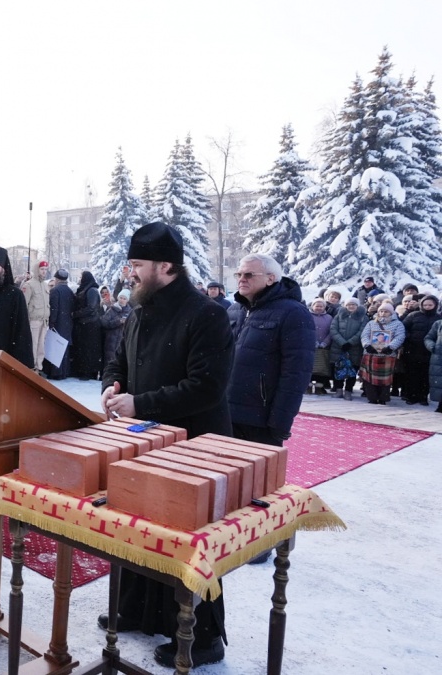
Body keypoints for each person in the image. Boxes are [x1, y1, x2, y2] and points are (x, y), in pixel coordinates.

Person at [100, 222, 234, 669]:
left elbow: (206, 387)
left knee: (189, 541)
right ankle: (139, 611)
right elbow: (119, 359)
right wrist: (112, 385)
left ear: (165, 266)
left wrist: (141, 402)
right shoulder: (140, 308)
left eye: (136, 265)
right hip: (146, 440)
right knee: (140, 526)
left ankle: (204, 636)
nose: (129, 273)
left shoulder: (207, 314)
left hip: (196, 445)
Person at [225, 253, 314, 447]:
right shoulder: (234, 310)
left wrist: (280, 421)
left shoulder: (293, 313)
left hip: (260, 418)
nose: (241, 279)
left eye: (248, 274)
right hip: (224, 411)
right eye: (238, 274)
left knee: (256, 476)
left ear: (270, 278)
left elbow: (297, 373)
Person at [359, 302, 405, 404]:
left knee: (385, 379)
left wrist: (391, 347)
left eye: (386, 311)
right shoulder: (371, 323)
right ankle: (372, 397)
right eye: (381, 311)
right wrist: (367, 345)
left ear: (391, 313)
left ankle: (383, 398)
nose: (383, 313)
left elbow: (400, 336)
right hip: (371, 353)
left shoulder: (398, 324)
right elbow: (364, 335)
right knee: (369, 378)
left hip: (387, 354)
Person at [400, 294, 438, 405]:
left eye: (430, 305)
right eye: (425, 304)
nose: (427, 307)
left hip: (429, 351)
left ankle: (423, 397)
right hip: (412, 349)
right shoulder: (413, 315)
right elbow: (403, 328)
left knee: (425, 375)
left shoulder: (438, 317)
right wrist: (409, 338)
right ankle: (411, 396)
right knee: (412, 374)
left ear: (435, 305)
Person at [329, 297, 366, 400]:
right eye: (349, 304)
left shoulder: (363, 317)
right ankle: (339, 390)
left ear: (357, 306)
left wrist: (350, 342)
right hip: (338, 347)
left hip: (354, 348)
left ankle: (348, 391)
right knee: (338, 369)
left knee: (352, 370)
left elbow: (362, 331)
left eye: (353, 304)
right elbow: (333, 329)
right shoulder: (338, 316)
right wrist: (342, 342)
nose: (351, 306)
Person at [71, 270, 104, 380]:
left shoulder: (91, 290)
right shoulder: (86, 289)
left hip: (90, 325)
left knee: (89, 350)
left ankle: (89, 372)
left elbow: (91, 308)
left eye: (81, 277)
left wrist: (75, 314)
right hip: (84, 324)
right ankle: (83, 370)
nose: (80, 279)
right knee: (84, 349)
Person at [44, 268, 75, 380]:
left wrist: (51, 322)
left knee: (55, 347)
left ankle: (56, 372)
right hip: (68, 322)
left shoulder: (55, 291)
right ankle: (64, 372)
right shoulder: (70, 291)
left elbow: (54, 308)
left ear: (57, 279)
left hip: (58, 323)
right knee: (64, 347)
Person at [21, 261, 50, 373]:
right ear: (37, 270)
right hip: (33, 320)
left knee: (41, 347)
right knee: (33, 345)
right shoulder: (29, 285)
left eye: (45, 270)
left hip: (43, 320)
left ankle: (39, 367)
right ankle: (31, 367)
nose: (44, 272)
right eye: (42, 269)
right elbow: (24, 304)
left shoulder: (45, 285)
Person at [308, 299, 335, 394]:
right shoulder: (307, 316)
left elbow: (332, 331)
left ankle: (320, 387)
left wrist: (325, 342)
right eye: (317, 306)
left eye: (321, 306)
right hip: (310, 347)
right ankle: (308, 386)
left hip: (324, 348)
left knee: (322, 369)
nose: (319, 308)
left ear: (324, 307)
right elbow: (306, 330)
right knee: (309, 367)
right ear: (312, 306)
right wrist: (312, 341)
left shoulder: (329, 318)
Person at [100, 289, 131, 369]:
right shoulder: (112, 309)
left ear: (127, 300)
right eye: (121, 298)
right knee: (109, 361)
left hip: (122, 341)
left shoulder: (130, 312)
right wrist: (118, 321)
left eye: (124, 299)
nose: (122, 300)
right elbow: (104, 323)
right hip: (110, 341)